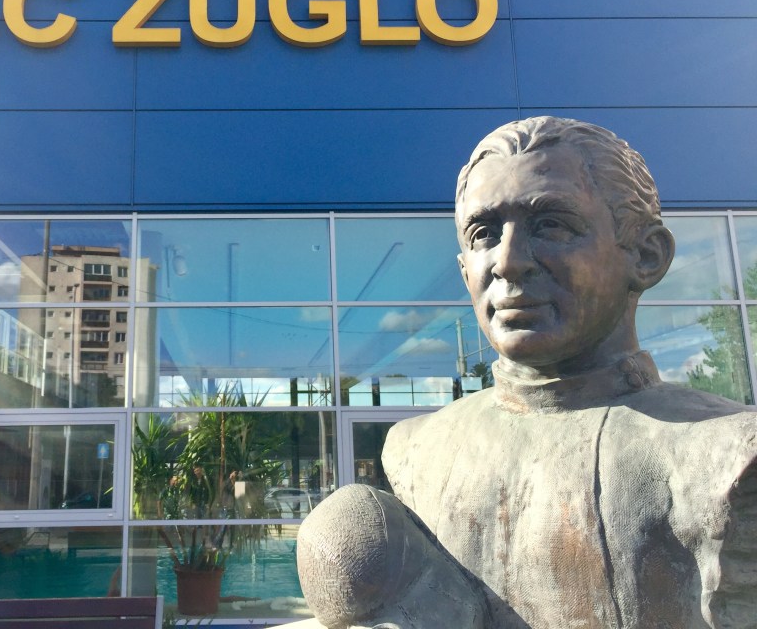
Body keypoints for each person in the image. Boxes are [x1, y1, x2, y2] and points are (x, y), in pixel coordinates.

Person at [296, 117, 757, 629]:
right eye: (483, 234)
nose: (509, 262)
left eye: (552, 225)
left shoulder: (726, 452)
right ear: (465, 270)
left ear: (646, 256)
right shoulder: (417, 448)